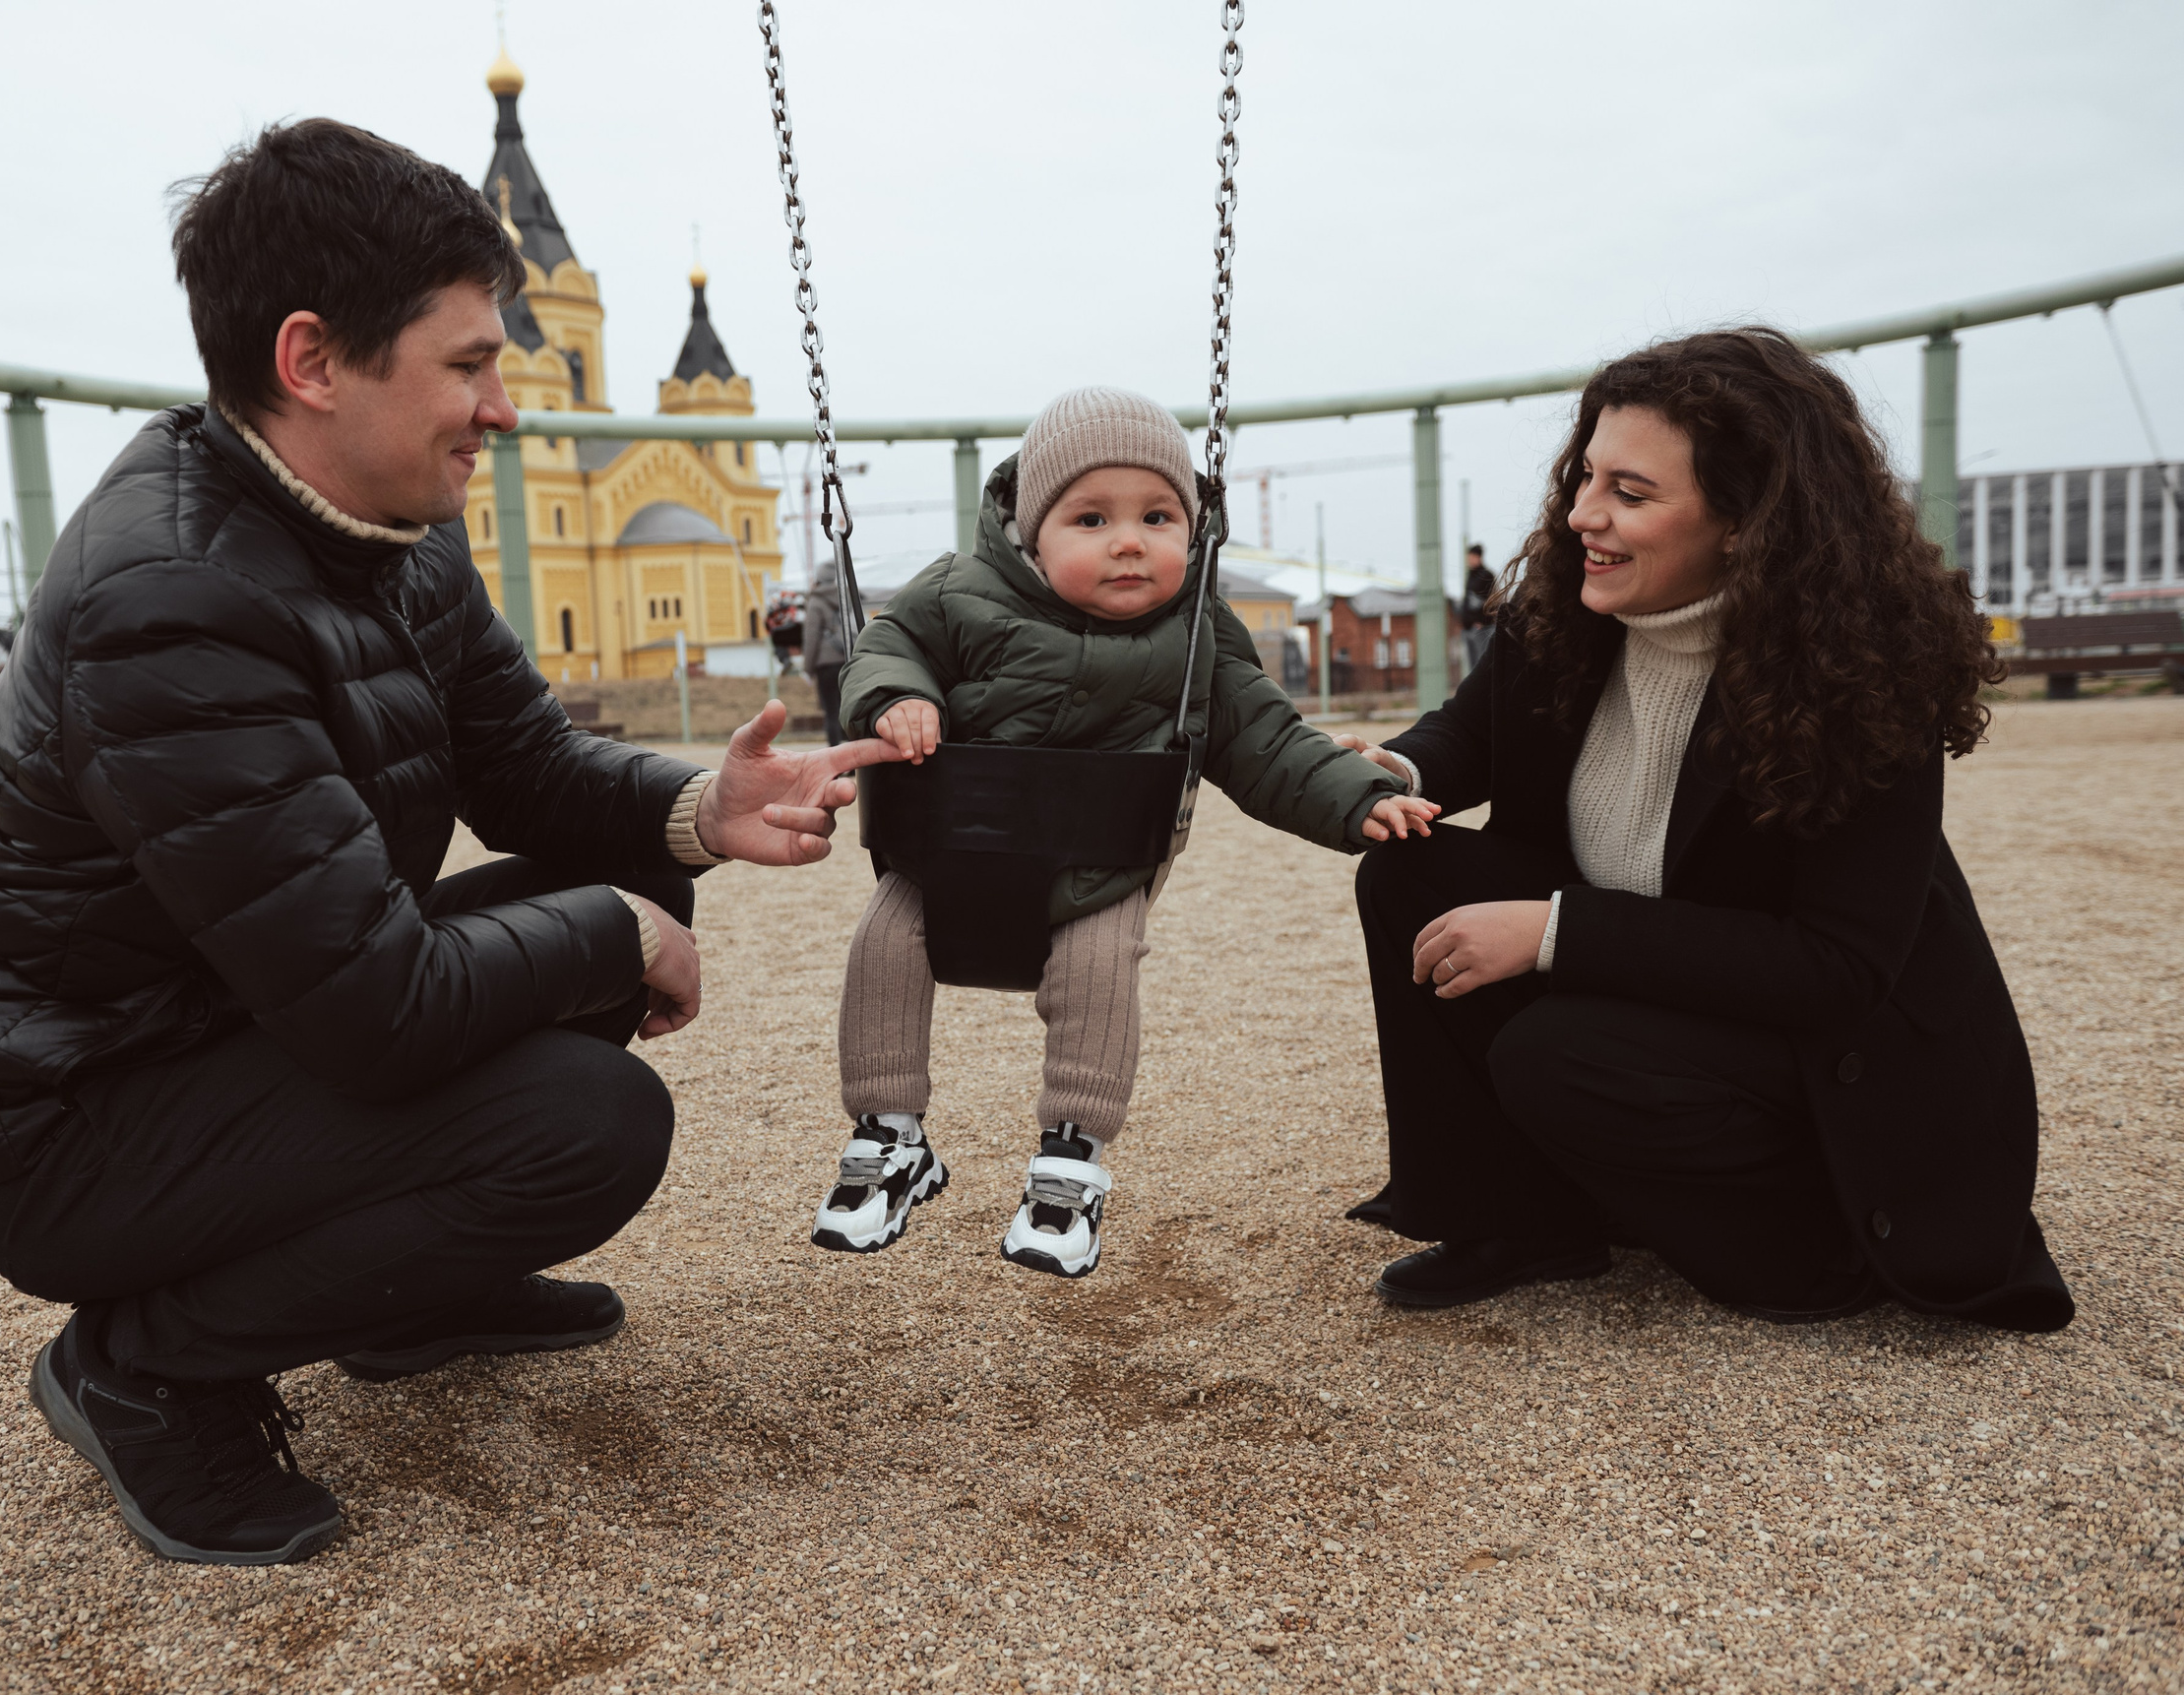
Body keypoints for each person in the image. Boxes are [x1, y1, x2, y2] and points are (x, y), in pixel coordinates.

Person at [0, 119, 900, 1568]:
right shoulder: (169, 598)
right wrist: (615, 932)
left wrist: (699, 811)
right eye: (470, 365)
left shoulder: (389, 522)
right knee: (589, 1122)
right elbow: (380, 1013)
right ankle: (146, 1367)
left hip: (238, 1014)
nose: (502, 407)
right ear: (313, 362)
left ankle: (404, 1293)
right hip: (71, 1115)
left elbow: (531, 767)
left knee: (617, 877)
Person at [1336, 327, 2071, 1332]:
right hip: (1665, 986)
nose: (1582, 515)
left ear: (1743, 521)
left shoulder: (1856, 678)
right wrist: (1400, 770)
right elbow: (1473, 729)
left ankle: (1804, 1251)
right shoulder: (1568, 600)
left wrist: (1553, 931)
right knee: (1408, 871)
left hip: (1829, 1061)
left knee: (1558, 1051)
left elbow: (1836, 970)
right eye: (1583, 477)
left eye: (1629, 495)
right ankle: (1517, 1220)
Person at [811, 388, 1436, 1276]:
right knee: (884, 943)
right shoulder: (958, 591)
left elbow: (1264, 737)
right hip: (951, 852)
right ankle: (890, 1138)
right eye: (1092, 518)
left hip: (1100, 864)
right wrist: (900, 699)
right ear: (1031, 532)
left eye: (1158, 516)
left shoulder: (1196, 638)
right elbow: (883, 648)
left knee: (1101, 968)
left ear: (1194, 528)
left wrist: (1354, 796)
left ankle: (1069, 1165)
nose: (1131, 540)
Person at [801, 564, 848, 744]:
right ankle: (854, 759)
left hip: (826, 665)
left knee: (831, 712)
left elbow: (811, 638)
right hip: (846, 660)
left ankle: (837, 757)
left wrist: (808, 669)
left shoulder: (816, 602)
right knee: (846, 709)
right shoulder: (843, 597)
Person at [1458, 541, 1496, 672]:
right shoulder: (1471, 576)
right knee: (1472, 666)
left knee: (1481, 664)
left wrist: (1483, 622)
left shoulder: (1487, 576)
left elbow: (1492, 601)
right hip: (1469, 628)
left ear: (1478, 557)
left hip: (1480, 628)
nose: (1470, 560)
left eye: (1472, 557)